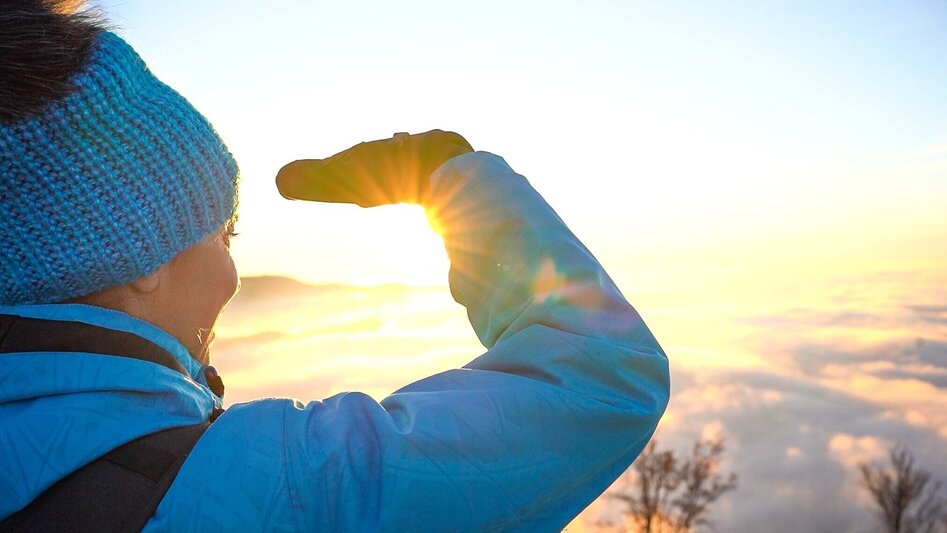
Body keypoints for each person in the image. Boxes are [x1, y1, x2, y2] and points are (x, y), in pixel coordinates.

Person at [0, 2, 670, 531]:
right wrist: (454, 180)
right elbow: (604, 376)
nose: (234, 274)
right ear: (139, 256)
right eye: (224, 234)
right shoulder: (263, 494)